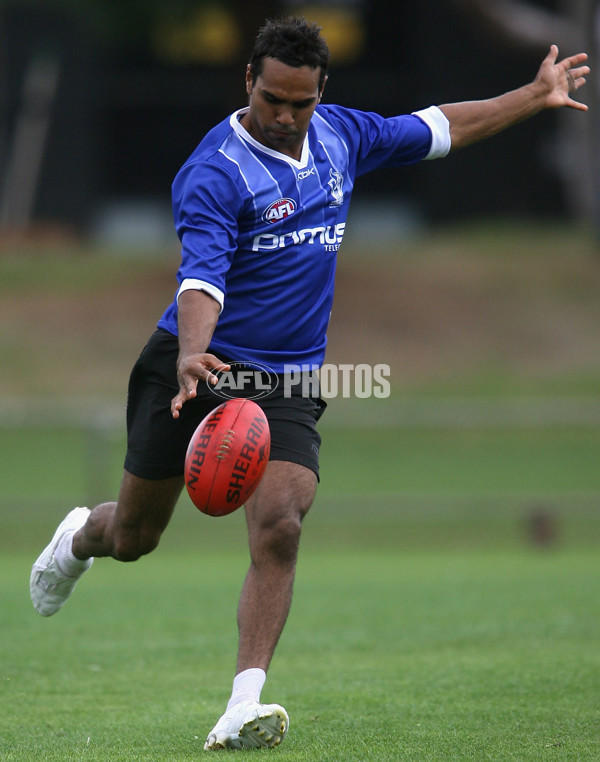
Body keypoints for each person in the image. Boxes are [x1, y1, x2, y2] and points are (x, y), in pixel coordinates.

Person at [30, 16, 589, 752]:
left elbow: (437, 126)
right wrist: (195, 356)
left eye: (301, 102)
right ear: (249, 84)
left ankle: (242, 703)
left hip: (285, 380)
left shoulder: (341, 136)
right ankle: (79, 536)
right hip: (197, 361)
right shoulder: (215, 172)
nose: (286, 117)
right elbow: (200, 280)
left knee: (282, 524)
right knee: (136, 536)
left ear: (322, 91)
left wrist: (533, 93)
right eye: (272, 100)